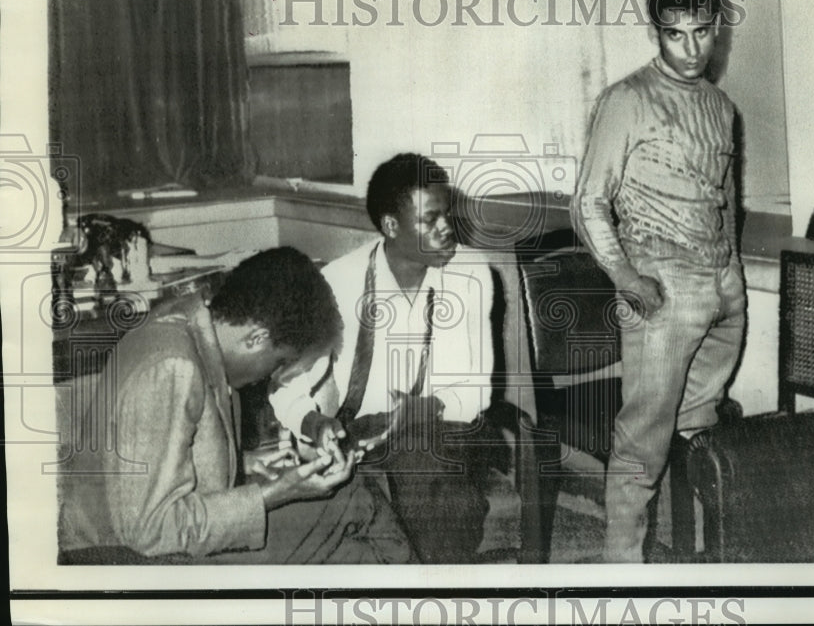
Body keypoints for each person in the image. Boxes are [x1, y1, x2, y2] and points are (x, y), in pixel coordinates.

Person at [58, 247, 412, 564]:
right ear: (256, 337)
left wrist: (243, 463)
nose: (269, 378)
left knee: (355, 551)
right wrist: (274, 492)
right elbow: (150, 529)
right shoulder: (172, 368)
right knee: (356, 501)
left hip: (142, 537)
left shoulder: (187, 324)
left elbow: (148, 463)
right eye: (278, 364)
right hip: (124, 558)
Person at [571, 0, 747, 563]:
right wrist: (625, 277)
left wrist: (732, 281)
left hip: (722, 283)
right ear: (656, 31)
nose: (692, 47)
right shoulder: (626, 99)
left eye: (702, 30)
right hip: (662, 285)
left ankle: (702, 560)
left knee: (703, 427)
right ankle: (623, 575)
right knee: (641, 447)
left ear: (717, 26)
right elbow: (588, 201)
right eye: (676, 33)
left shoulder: (722, 107)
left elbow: (727, 198)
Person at [269, 153, 497, 564]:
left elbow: (475, 393)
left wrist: (415, 413)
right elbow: (287, 386)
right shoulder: (339, 283)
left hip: (437, 431)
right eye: (431, 219)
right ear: (391, 226)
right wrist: (315, 422)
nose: (447, 229)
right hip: (352, 436)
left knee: (424, 480)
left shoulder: (471, 273)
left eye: (448, 214)